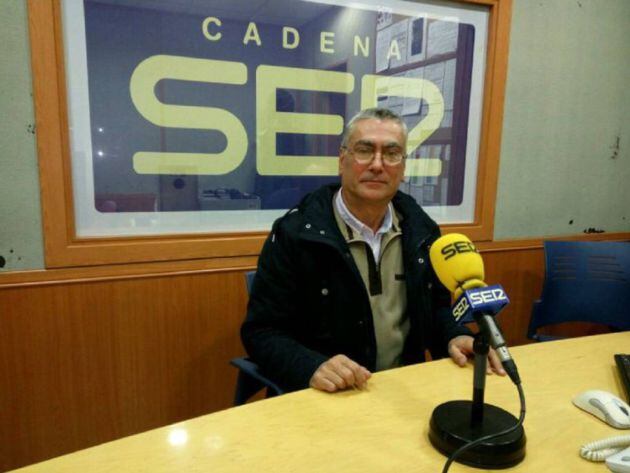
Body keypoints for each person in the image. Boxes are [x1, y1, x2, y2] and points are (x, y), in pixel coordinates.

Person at [241, 108, 504, 393]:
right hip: (327, 397)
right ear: (342, 160)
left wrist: (454, 335)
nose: (378, 165)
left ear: (403, 168)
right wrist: (311, 366)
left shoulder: (422, 231)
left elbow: (436, 310)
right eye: (365, 150)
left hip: (404, 390)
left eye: (391, 154)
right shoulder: (294, 234)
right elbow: (262, 332)